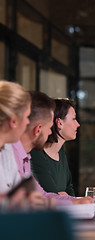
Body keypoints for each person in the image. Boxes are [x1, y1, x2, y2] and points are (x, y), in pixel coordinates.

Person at [12, 91, 91, 204]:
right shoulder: (14, 155)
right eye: (49, 127)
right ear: (38, 129)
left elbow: (43, 195)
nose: (50, 132)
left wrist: (77, 201)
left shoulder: (24, 157)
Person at [0, 80, 48, 210]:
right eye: (27, 117)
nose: (28, 122)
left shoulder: (7, 149)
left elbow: (16, 193)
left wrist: (27, 199)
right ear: (13, 121)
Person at [31, 98, 79, 196]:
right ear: (59, 123)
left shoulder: (60, 150)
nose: (77, 124)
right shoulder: (35, 153)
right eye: (73, 119)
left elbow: (69, 190)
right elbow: (51, 195)